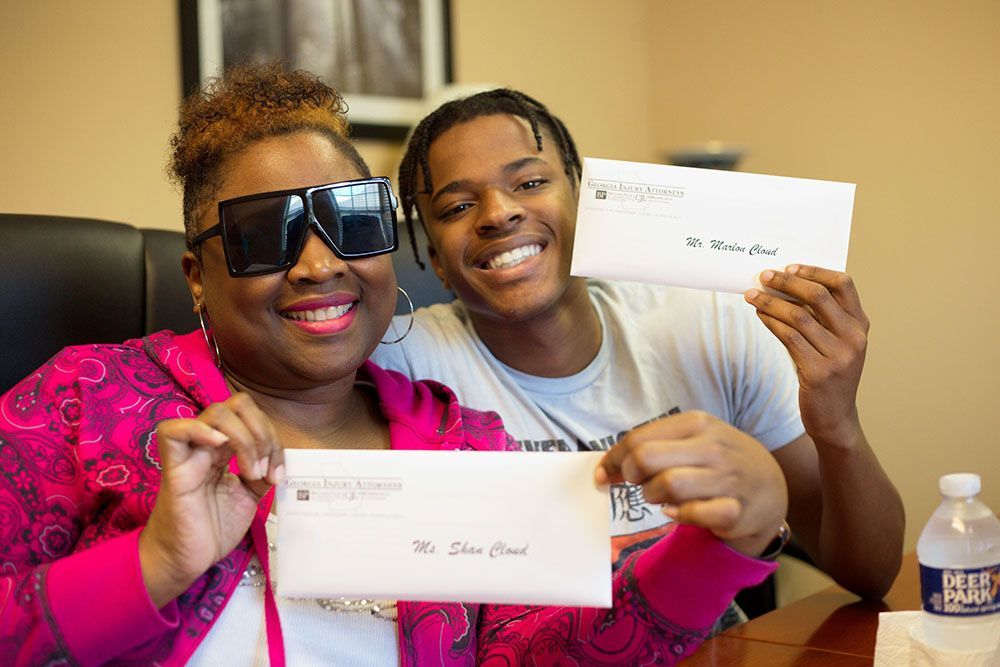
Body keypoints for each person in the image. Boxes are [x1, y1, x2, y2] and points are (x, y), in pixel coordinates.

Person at [0, 65, 788, 665]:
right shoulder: (80, 399)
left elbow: (546, 651)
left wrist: (722, 547)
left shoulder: (463, 442)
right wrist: (153, 563)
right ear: (197, 276)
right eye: (264, 236)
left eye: (351, 222)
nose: (319, 265)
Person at [372, 88, 905, 602]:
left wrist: (838, 425)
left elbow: (870, 574)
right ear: (437, 261)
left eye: (530, 182)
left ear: (583, 203)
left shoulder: (709, 327)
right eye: (457, 207)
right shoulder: (402, 362)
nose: (497, 213)